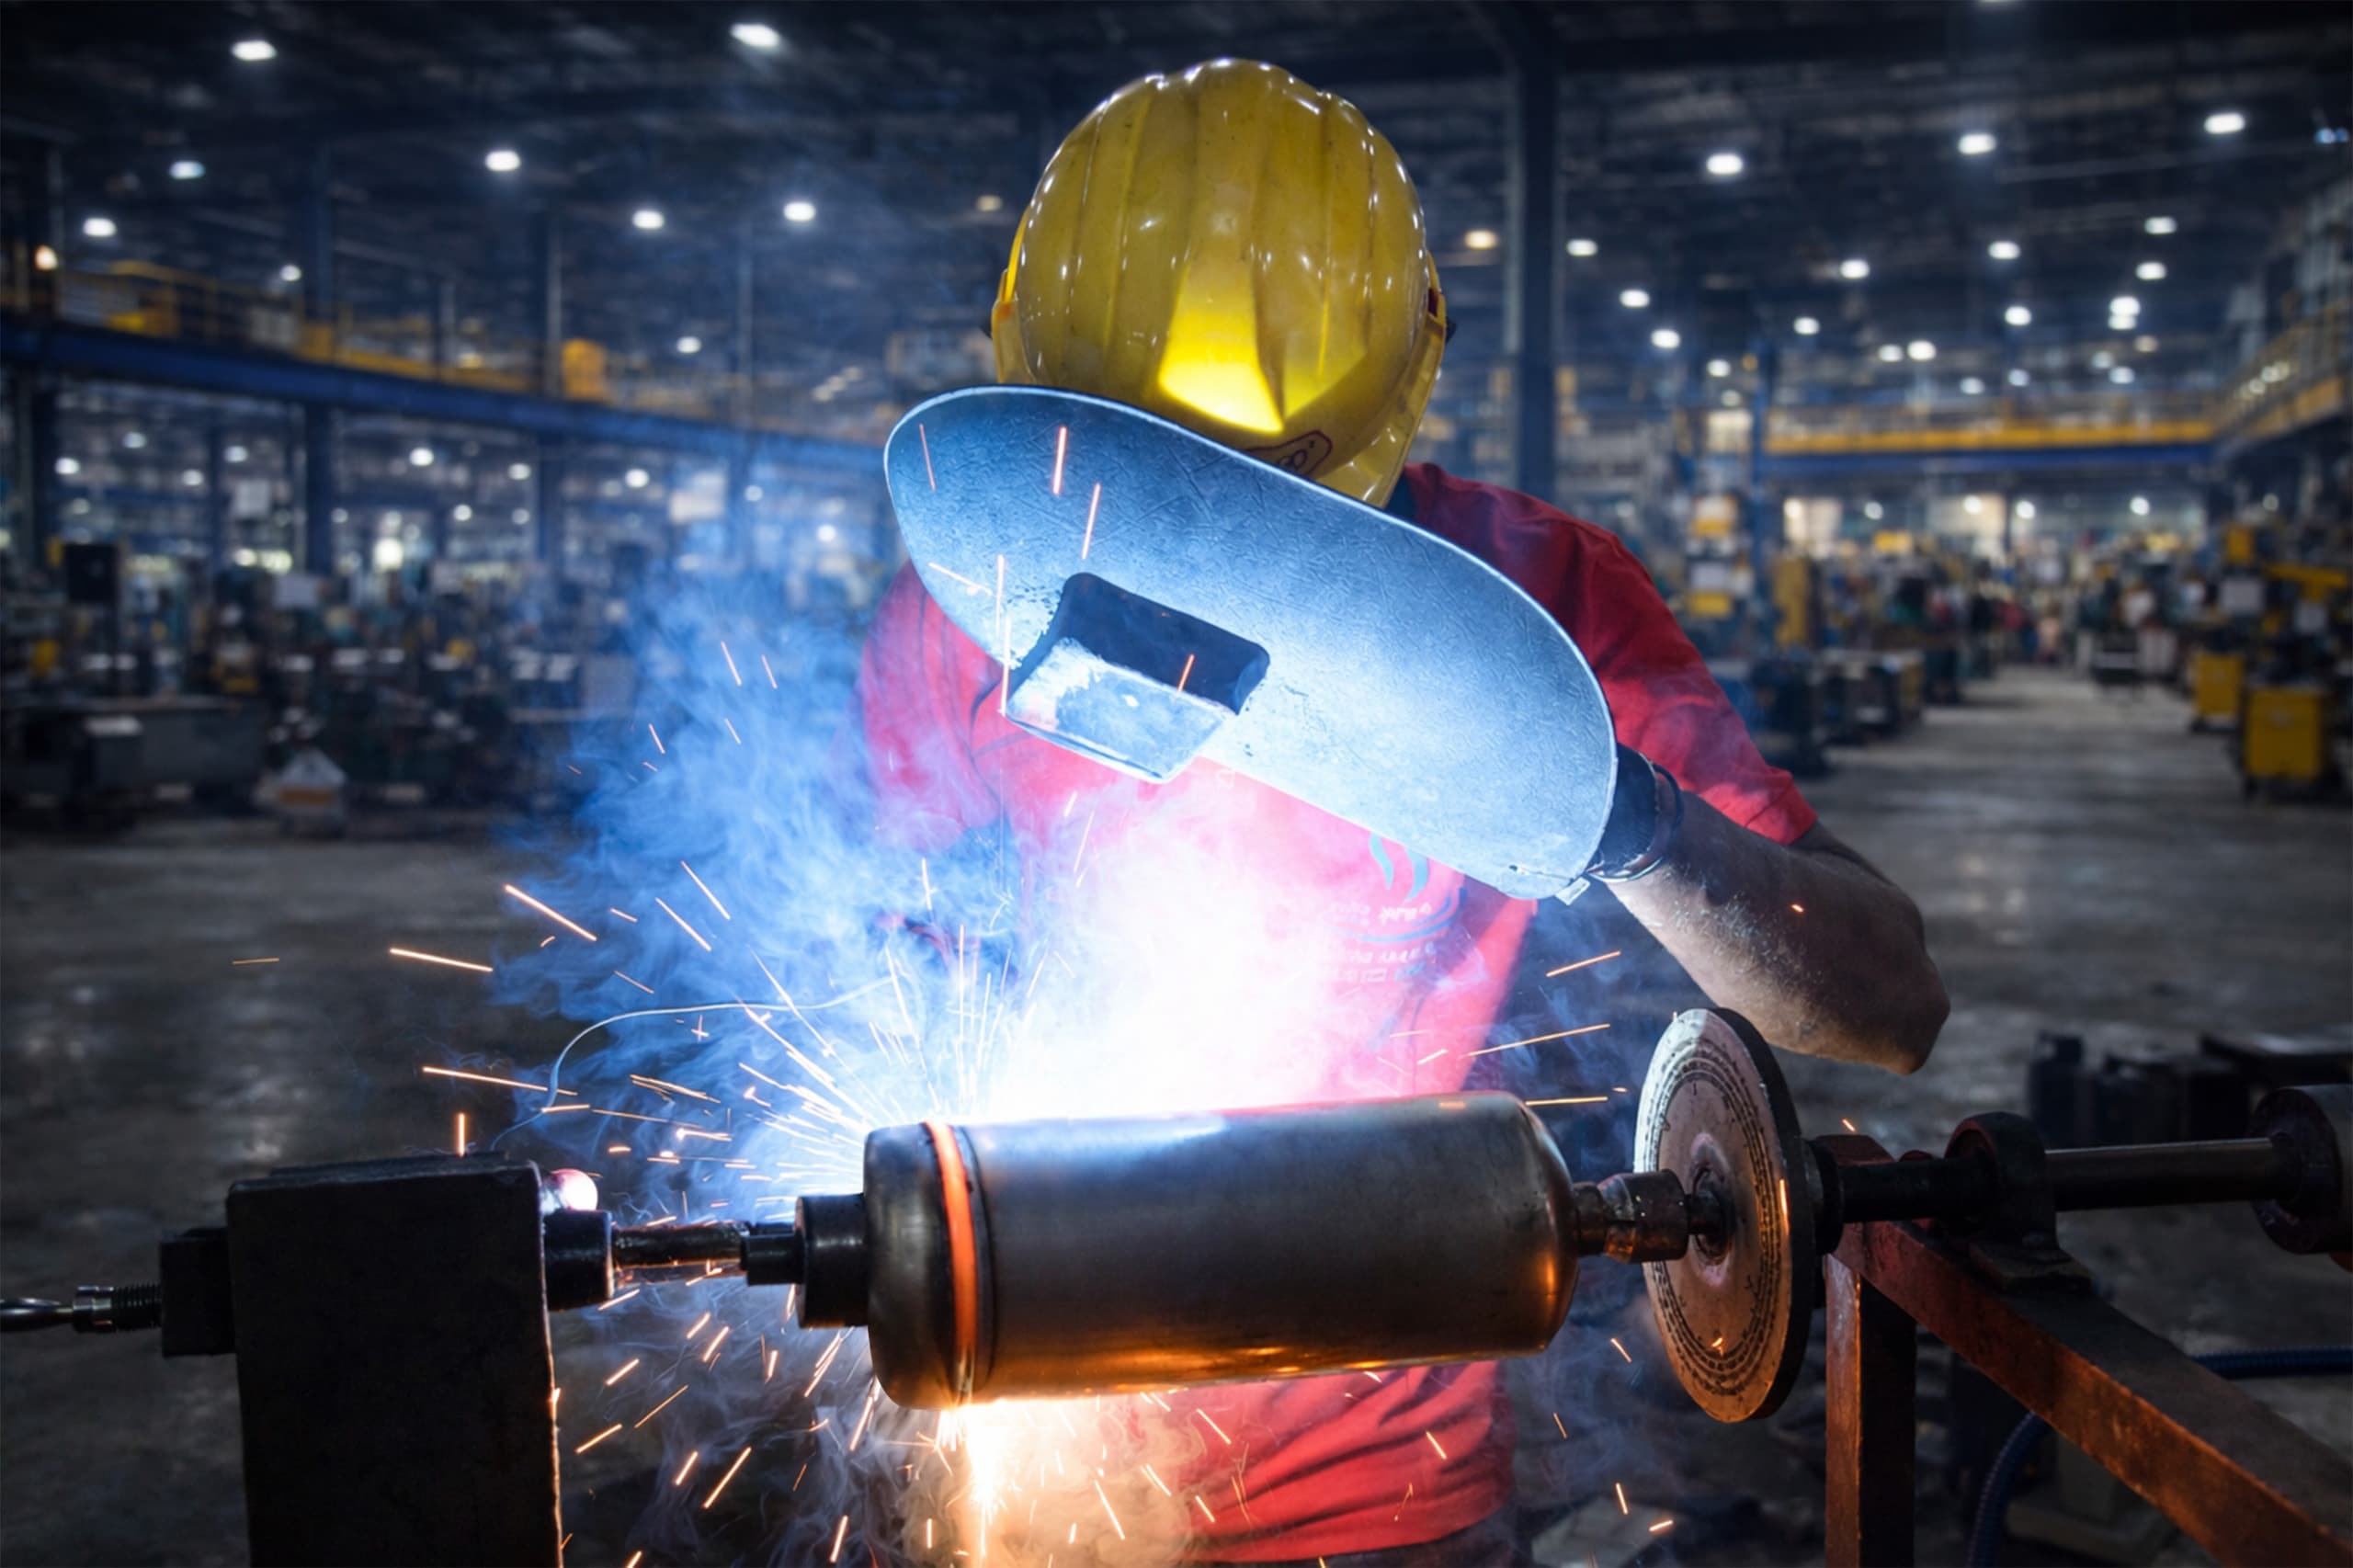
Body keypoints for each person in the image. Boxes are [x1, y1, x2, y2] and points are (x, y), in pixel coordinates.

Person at [856, 59, 1947, 1567]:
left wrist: (1606, 808)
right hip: (1048, 1425)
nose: (1204, 577)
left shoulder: (1535, 611)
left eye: (1264, 520)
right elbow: (895, 982)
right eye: (1157, 504)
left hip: (1388, 1488)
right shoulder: (966, 608)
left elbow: (1891, 999)